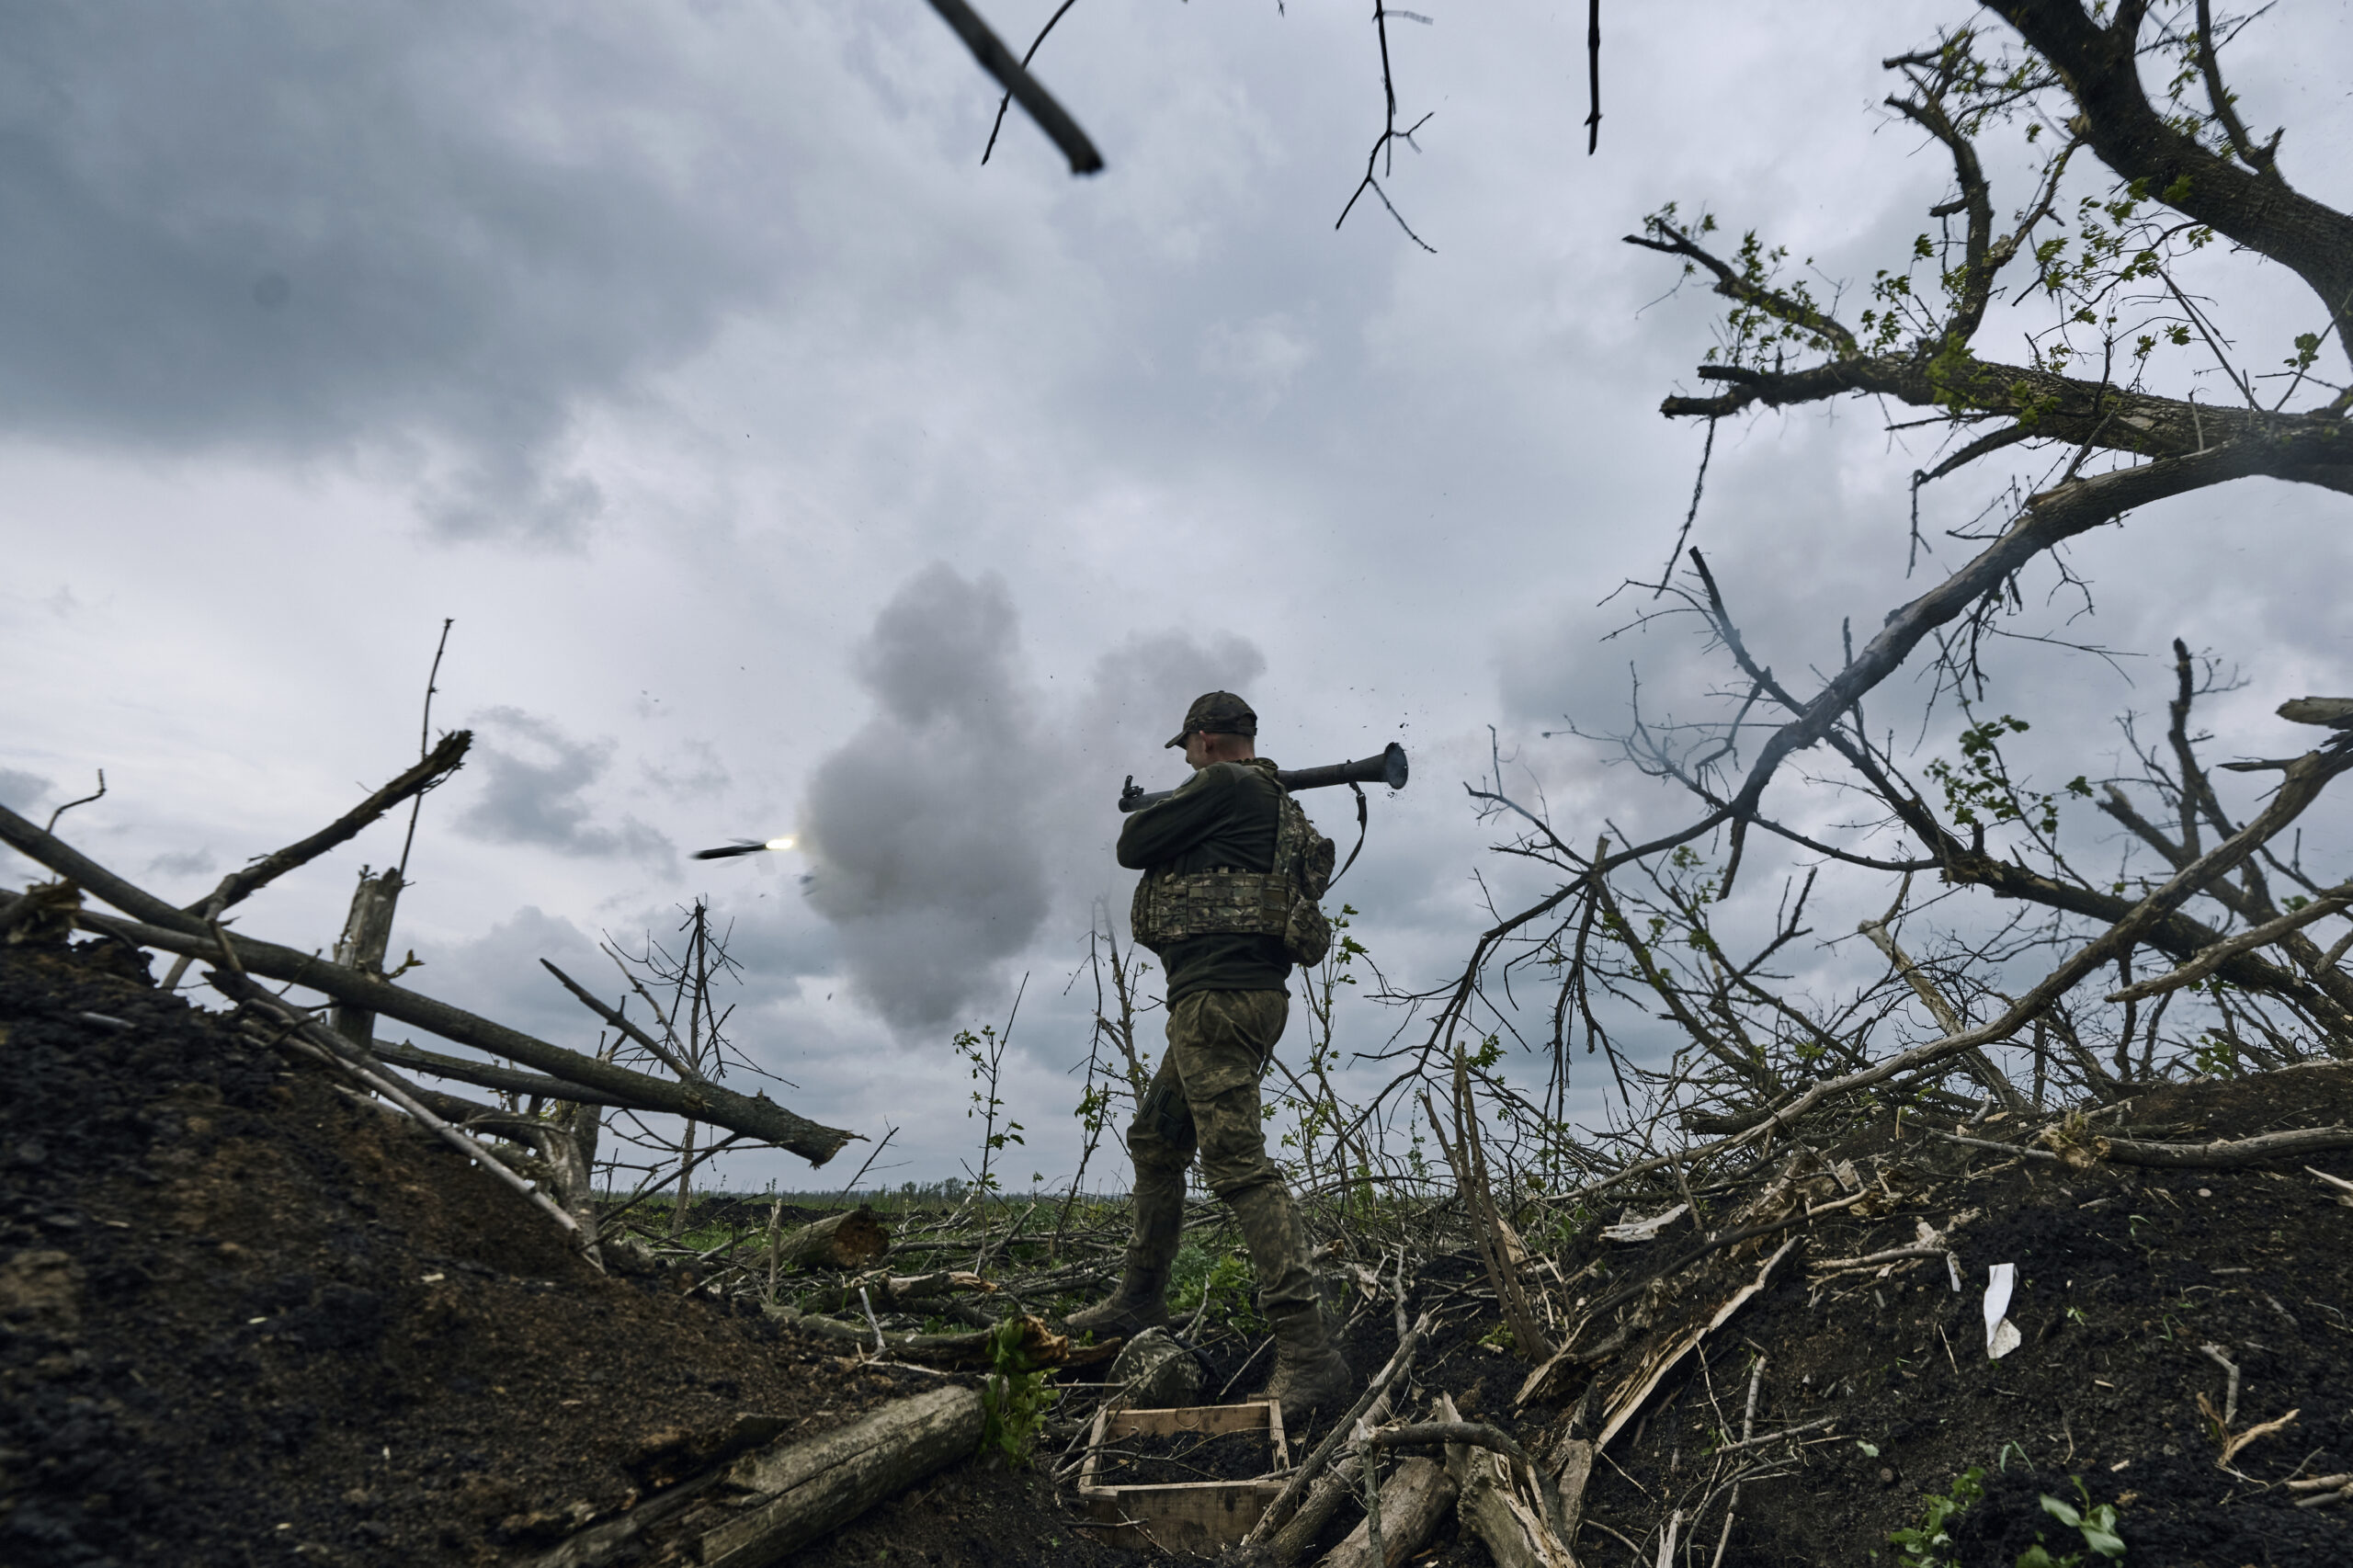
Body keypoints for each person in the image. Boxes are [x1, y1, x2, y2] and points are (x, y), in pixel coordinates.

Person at [1065, 691, 1350, 1423]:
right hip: (1232, 998)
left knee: (1237, 1167)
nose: (1187, 759)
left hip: (1219, 1000)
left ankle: (1309, 1355)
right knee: (1159, 1142)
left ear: (1203, 739)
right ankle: (1139, 1301)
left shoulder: (1224, 785)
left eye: (1187, 747)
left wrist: (1173, 802)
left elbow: (1133, 845)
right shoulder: (1269, 799)